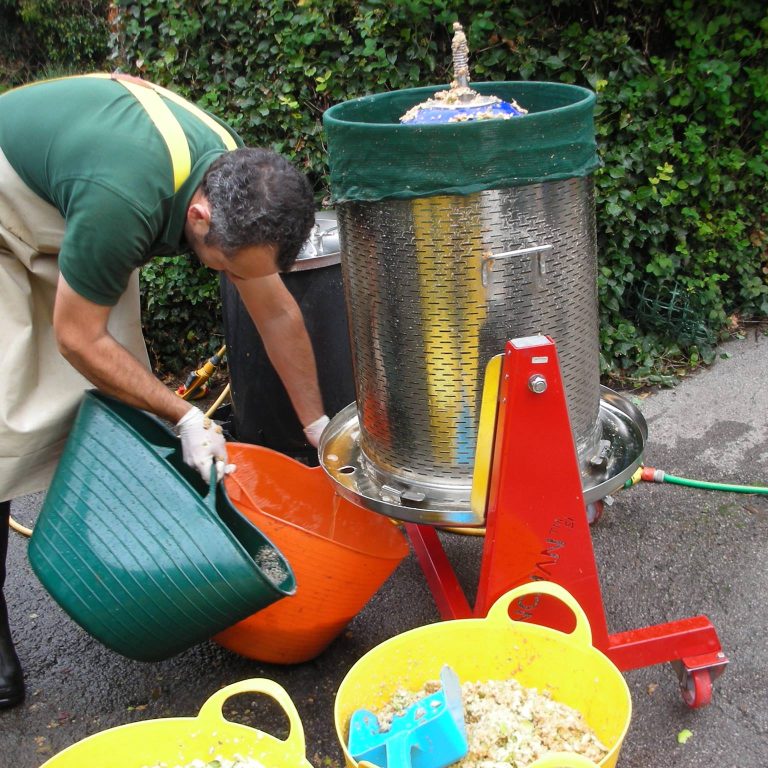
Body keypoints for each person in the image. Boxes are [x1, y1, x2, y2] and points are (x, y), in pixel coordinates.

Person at [0, 73, 330, 709]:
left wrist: (318, 428)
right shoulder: (123, 199)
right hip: (7, 200)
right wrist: (185, 414)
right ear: (199, 216)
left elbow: (277, 312)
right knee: (4, 425)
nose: (236, 279)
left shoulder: (236, 185)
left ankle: (126, 557)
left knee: (119, 391)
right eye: (229, 268)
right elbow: (75, 337)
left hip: (79, 202)